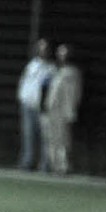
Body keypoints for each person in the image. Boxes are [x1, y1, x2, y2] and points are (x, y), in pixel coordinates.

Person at [40, 43, 83, 176]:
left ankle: (63, 167)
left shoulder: (72, 72)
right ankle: (54, 166)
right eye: (59, 53)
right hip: (50, 110)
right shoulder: (55, 71)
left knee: (63, 140)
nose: (61, 56)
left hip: (62, 111)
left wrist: (69, 113)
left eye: (64, 53)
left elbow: (73, 94)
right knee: (51, 139)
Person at [16, 37, 56, 171]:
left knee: (45, 137)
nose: (43, 51)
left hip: (44, 108)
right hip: (28, 105)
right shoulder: (32, 65)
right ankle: (28, 162)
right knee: (28, 134)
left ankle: (45, 164)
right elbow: (24, 83)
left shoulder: (51, 69)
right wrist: (22, 98)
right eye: (41, 48)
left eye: (45, 48)